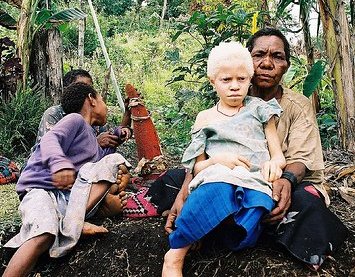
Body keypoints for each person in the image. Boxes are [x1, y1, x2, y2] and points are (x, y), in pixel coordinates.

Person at [165, 27, 348, 271]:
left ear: (286, 65)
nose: (267, 63)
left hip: (279, 179)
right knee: (174, 181)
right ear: (248, 61)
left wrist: (286, 180)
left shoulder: (298, 106)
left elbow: (302, 159)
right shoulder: (231, 96)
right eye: (259, 55)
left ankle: (223, 226)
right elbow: (205, 153)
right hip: (228, 176)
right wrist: (186, 189)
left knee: (305, 201)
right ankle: (218, 223)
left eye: (277, 57)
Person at [162, 41, 286, 276]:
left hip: (252, 180)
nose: (234, 87)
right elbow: (197, 167)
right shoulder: (205, 118)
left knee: (256, 204)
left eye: (241, 79)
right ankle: (176, 254)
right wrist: (218, 161)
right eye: (226, 80)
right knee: (218, 186)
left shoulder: (260, 109)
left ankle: (206, 227)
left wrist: (273, 164)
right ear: (213, 82)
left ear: (250, 78)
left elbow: (278, 156)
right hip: (217, 175)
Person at [3, 83, 132, 277]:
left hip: (69, 200)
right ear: (91, 99)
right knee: (43, 234)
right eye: (103, 100)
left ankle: (72, 222)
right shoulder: (74, 120)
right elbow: (49, 139)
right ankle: (72, 225)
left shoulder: (94, 142)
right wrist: (59, 163)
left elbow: (104, 159)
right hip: (41, 190)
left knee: (113, 160)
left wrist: (122, 128)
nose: (105, 105)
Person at [34, 69, 132, 149]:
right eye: (81, 88)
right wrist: (95, 144)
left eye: (90, 88)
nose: (88, 93)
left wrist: (127, 113)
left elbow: (111, 140)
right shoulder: (54, 114)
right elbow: (47, 152)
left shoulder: (95, 120)